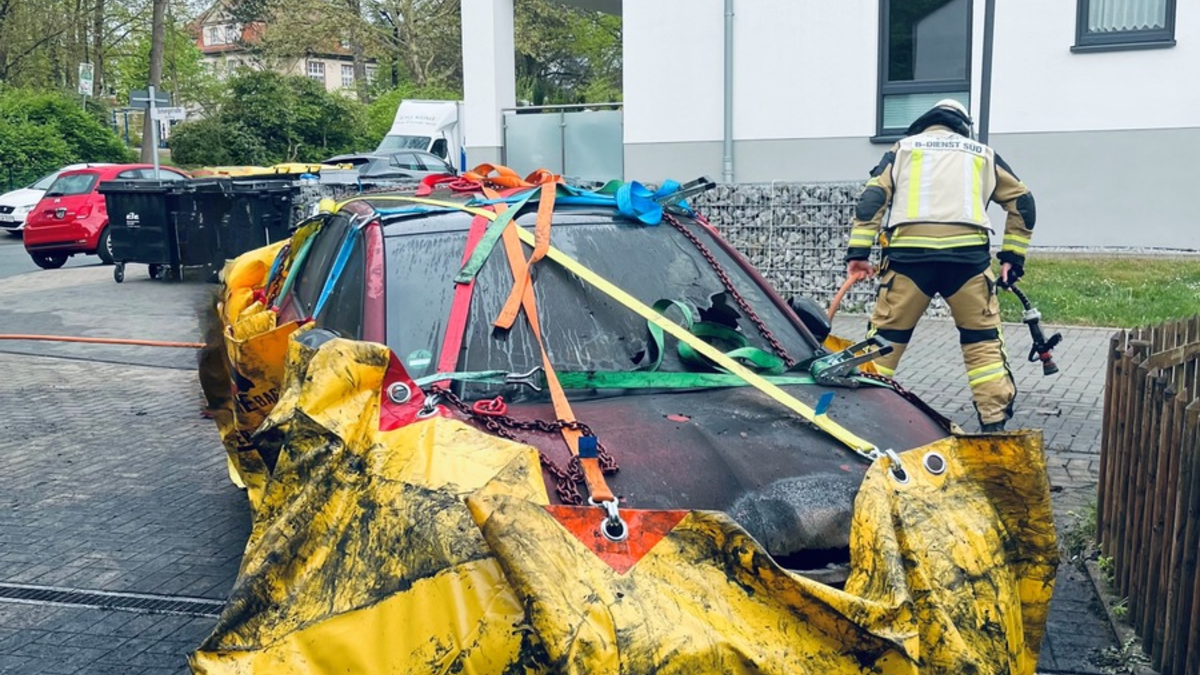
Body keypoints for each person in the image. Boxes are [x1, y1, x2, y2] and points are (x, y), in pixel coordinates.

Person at [844, 99, 1036, 432]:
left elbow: (872, 198)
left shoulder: (903, 149)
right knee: (982, 342)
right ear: (963, 126)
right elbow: (1023, 201)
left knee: (885, 342)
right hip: (967, 264)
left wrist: (859, 252)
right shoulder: (981, 153)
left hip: (909, 263)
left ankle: (863, 421)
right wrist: (1012, 258)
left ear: (925, 122)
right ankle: (993, 426)